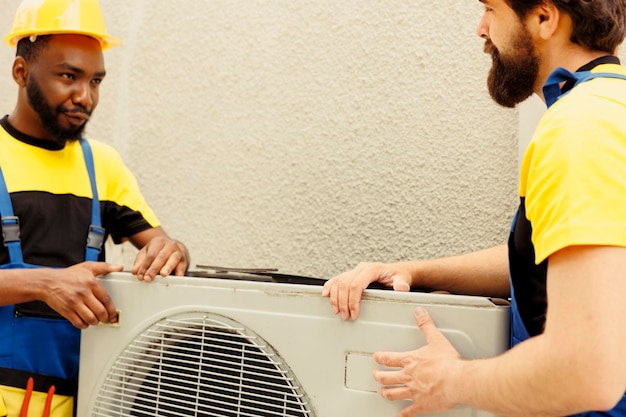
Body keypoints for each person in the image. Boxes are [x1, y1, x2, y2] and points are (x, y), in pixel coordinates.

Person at [323, 0, 626, 416]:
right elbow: (572, 261)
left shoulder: (581, 128)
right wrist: (415, 271)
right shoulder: (612, 107)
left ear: (544, 18)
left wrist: (449, 381)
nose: (482, 28)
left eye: (490, 9)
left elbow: (585, 373)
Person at [0, 0, 190, 415]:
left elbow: (164, 249)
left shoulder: (101, 165)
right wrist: (43, 285)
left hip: (90, 399)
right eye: (69, 76)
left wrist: (174, 251)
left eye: (96, 81)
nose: (84, 97)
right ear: (21, 72)